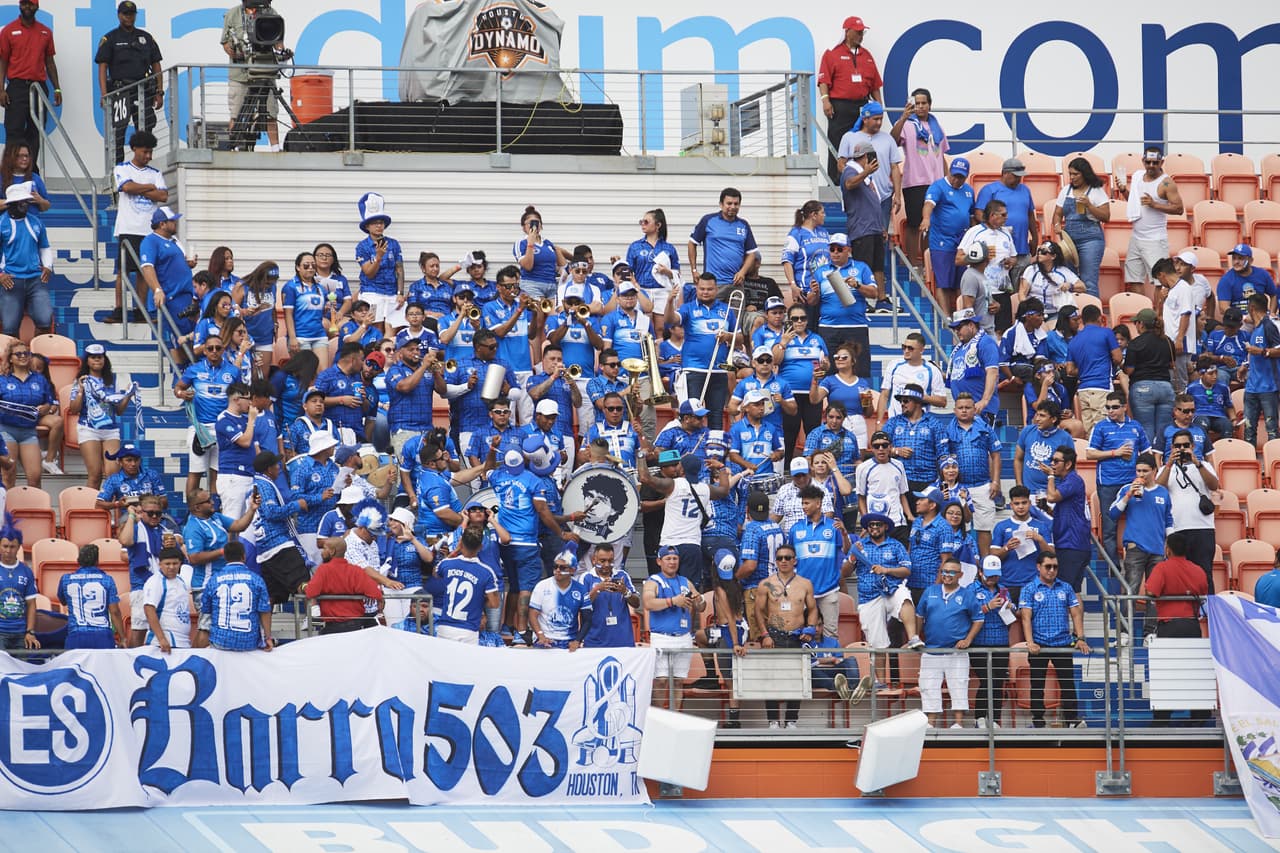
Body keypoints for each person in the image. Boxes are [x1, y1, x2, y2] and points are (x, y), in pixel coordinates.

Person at [848, 513, 925, 686]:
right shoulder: (858, 546)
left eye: (878, 524)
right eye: (871, 524)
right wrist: (852, 558)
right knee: (877, 642)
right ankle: (879, 682)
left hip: (891, 589)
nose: (874, 527)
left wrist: (886, 570)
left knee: (904, 596)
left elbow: (906, 570)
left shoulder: (896, 545)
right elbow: (844, 573)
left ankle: (913, 637)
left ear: (885, 527)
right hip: (869, 597)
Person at [1145, 531, 1211, 724]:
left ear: (1168, 549)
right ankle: (1199, 717)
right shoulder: (1198, 570)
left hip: (1169, 626)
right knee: (1193, 672)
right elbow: (1203, 591)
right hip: (1191, 625)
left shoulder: (1162, 568)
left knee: (1167, 673)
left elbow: (1151, 591)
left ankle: (1162, 719)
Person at [639, 451, 730, 591]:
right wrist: (722, 468)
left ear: (681, 469)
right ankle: (688, 613)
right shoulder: (705, 489)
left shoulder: (674, 484)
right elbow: (724, 490)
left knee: (666, 589)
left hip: (670, 545)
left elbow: (645, 478)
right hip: (692, 545)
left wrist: (640, 456)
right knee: (690, 590)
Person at [1018, 551, 1089, 728]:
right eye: (1048, 566)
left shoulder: (1066, 587)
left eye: (1055, 567)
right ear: (1038, 567)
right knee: (1037, 685)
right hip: (1039, 645)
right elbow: (1025, 617)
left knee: (1067, 684)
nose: (1051, 570)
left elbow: (1076, 613)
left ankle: (1072, 719)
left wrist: (1080, 638)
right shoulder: (1028, 589)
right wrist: (1030, 642)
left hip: (1062, 644)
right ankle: (1038, 720)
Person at [1107, 452, 1174, 641]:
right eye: (1138, 470)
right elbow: (1112, 514)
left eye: (1145, 471)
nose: (1141, 474)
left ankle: (1150, 632)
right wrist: (1128, 495)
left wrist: (1170, 545)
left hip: (1158, 549)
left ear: (1154, 470)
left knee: (1154, 593)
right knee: (1131, 590)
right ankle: (1124, 632)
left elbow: (1169, 519)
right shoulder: (1127, 488)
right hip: (1135, 547)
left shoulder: (1162, 492)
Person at [753, 542, 820, 728]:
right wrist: (764, 634)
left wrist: (811, 627)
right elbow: (758, 611)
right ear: (776, 561)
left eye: (787, 558)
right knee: (772, 679)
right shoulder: (766, 584)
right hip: (774, 635)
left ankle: (791, 720)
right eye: (780, 558)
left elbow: (813, 609)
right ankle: (773, 720)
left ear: (794, 560)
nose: (783, 561)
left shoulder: (805, 584)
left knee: (796, 679)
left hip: (797, 635)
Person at [105, 130, 167, 325]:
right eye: (144, 152)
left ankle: (140, 309)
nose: (148, 156)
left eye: (150, 152)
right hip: (128, 227)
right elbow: (126, 188)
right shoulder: (122, 168)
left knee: (144, 271)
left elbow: (163, 196)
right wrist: (150, 188)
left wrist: (139, 187)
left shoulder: (155, 173)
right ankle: (119, 308)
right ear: (134, 149)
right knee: (123, 271)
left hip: (149, 231)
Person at [916, 557, 983, 729]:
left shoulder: (967, 595)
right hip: (931, 650)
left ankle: (958, 723)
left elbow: (978, 618)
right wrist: (916, 636)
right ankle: (930, 723)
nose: (947, 575)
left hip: (956, 651)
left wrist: (968, 639)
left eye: (952, 572)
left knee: (959, 685)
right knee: (928, 686)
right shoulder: (930, 591)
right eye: (944, 571)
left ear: (960, 574)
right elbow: (919, 615)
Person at [666, 272, 738, 430]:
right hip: (694, 369)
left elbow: (739, 339)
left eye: (709, 289)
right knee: (691, 414)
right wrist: (670, 301)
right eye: (702, 289)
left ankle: (715, 450)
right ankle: (693, 450)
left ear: (716, 289)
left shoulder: (726, 310)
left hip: (719, 370)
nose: (705, 292)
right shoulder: (688, 308)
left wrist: (728, 336)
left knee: (716, 414)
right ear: (697, 289)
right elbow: (670, 320)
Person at [1085, 390, 1149, 568]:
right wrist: (1115, 453)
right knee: (1109, 528)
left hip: (1132, 482)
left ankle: (1135, 564)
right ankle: (1113, 568)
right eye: (1107, 407)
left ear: (1124, 407)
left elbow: (1146, 453)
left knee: (1138, 523)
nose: (1110, 411)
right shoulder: (1101, 427)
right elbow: (1090, 453)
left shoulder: (1136, 426)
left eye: (1114, 407)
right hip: (1108, 483)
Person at [817, 16, 882, 184]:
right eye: (858, 32)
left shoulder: (866, 55)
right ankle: (837, 180)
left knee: (865, 141)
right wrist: (825, 100)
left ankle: (867, 177)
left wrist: (879, 105)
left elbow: (875, 84)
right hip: (840, 105)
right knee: (838, 142)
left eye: (862, 32)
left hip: (862, 105)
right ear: (847, 32)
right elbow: (823, 81)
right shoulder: (833, 53)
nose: (861, 35)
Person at [97, 1, 162, 167]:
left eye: (132, 14)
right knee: (118, 133)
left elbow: (156, 64)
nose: (129, 17)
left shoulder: (146, 38)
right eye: (125, 14)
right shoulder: (110, 38)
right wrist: (104, 94)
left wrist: (159, 91)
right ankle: (118, 170)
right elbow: (103, 67)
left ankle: (143, 167)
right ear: (119, 15)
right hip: (121, 91)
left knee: (146, 129)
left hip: (143, 90)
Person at [891, 88, 949, 270]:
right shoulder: (908, 124)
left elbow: (942, 155)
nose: (921, 106)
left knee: (932, 225)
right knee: (915, 223)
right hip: (915, 181)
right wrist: (902, 117)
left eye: (924, 103)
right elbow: (893, 140)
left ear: (930, 105)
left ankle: (926, 262)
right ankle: (912, 263)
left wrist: (946, 180)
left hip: (937, 182)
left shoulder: (936, 126)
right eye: (917, 103)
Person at [1156, 429, 1219, 593]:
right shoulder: (1166, 468)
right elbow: (1158, 489)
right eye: (1177, 446)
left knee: (1205, 573)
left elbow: (1213, 485)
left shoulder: (1204, 465)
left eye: (1185, 445)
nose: (1182, 449)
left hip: (1203, 528)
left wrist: (1197, 463)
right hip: (1178, 529)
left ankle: (1208, 613)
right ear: (1172, 447)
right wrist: (1169, 464)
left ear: (1192, 445)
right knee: (1179, 575)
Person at [644, 546, 705, 712]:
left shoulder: (685, 581)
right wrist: (672, 601)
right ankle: (658, 717)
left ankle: (675, 717)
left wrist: (699, 600)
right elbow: (648, 603)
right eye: (668, 559)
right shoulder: (653, 581)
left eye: (675, 559)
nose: (672, 562)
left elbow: (701, 606)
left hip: (683, 635)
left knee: (678, 680)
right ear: (659, 561)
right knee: (661, 680)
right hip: (662, 636)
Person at [1116, 145, 1184, 292]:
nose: (1151, 166)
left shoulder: (1166, 183)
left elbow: (1179, 209)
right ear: (1143, 161)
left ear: (1161, 163)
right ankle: (1142, 312)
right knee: (1134, 279)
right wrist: (1123, 191)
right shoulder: (1138, 176)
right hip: (1136, 237)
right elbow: (1135, 203)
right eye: (1148, 162)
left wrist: (1155, 204)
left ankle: (1159, 314)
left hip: (1155, 239)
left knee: (1161, 281)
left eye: (1155, 163)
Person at [942, 393, 1003, 554]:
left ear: (974, 409)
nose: (964, 411)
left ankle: (984, 565)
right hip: (959, 487)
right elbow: (943, 461)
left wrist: (995, 482)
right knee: (960, 527)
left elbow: (996, 454)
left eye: (968, 408)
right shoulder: (948, 431)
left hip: (983, 485)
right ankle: (963, 566)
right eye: (960, 408)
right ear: (954, 410)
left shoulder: (985, 429)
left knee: (984, 528)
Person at [0, 0, 60, 165]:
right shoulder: (9, 31)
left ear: (37, 6)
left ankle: (30, 172)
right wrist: (1, 90)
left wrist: (57, 89)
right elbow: (2, 62)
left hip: (38, 88)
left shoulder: (45, 32)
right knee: (14, 131)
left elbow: (50, 63)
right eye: (25, 4)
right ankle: (10, 173)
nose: (28, 7)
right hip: (17, 87)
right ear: (20, 5)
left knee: (36, 132)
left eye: (31, 4)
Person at [789, 483, 850, 639]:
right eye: (802, 503)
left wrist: (844, 533)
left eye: (807, 503)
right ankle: (806, 664)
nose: (804, 506)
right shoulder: (795, 529)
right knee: (800, 631)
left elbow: (845, 551)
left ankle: (830, 662)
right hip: (803, 590)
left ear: (818, 503)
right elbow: (790, 558)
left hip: (829, 589)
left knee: (831, 633)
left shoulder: (834, 526)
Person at [810, 236, 877, 377]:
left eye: (840, 249)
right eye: (832, 249)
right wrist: (815, 292)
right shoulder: (821, 271)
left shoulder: (861, 267)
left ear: (849, 250)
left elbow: (874, 293)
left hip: (855, 326)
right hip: (828, 328)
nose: (835, 252)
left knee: (859, 370)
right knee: (829, 371)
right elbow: (812, 302)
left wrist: (857, 285)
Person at [221, 0, 282, 151]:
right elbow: (225, 43)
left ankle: (276, 150)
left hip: (265, 71)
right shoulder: (233, 14)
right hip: (240, 74)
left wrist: (282, 52)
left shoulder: (271, 12)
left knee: (270, 113)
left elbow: (278, 41)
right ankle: (233, 149)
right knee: (236, 114)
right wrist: (238, 54)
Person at [921, 157, 976, 316]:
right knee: (944, 281)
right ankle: (945, 316)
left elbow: (971, 214)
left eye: (961, 177)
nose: (957, 180)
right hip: (942, 241)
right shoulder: (938, 186)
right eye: (955, 175)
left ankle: (961, 314)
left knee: (962, 281)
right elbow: (929, 204)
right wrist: (926, 219)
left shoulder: (968, 190)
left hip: (962, 241)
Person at [139, 206, 196, 360]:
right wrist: (157, 289)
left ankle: (187, 371)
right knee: (179, 338)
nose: (176, 223)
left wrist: (188, 264)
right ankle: (181, 374)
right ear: (162, 224)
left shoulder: (174, 241)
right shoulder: (150, 241)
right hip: (172, 297)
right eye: (172, 220)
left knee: (189, 336)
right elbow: (147, 267)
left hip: (185, 296)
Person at [841, 141, 890, 313]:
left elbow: (873, 202)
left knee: (877, 266)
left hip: (873, 228)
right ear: (866, 157)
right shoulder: (851, 170)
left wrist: (881, 227)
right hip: (862, 229)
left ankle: (881, 299)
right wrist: (867, 172)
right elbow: (849, 184)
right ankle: (866, 301)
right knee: (864, 266)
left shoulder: (866, 175)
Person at [0, 340, 56, 489]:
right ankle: (5, 511)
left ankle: (34, 510)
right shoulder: (2, 379)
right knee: (8, 475)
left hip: (29, 431)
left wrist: (45, 408)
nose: (23, 356)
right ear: (10, 358)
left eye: (26, 353)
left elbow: (49, 402)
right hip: (6, 429)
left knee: (35, 477)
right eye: (18, 354)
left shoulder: (40, 379)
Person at [1050, 158, 1110, 296]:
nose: (1072, 177)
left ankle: (1092, 314)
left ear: (1084, 174)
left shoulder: (1096, 191)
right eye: (1070, 174)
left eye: (1076, 174)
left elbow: (1106, 216)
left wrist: (1089, 205)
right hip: (1069, 240)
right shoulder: (1066, 190)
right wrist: (1057, 225)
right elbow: (1057, 214)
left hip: (1091, 239)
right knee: (1069, 280)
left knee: (1088, 281)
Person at [977, 159, 1039, 290]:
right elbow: (979, 214)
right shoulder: (990, 190)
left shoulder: (1025, 190)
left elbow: (1030, 215)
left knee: (1021, 288)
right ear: (1005, 173)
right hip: (999, 252)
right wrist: (995, 228)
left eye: (1020, 176)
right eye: (1016, 176)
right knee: (998, 288)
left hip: (1021, 248)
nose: (1018, 179)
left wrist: (1035, 237)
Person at [0, 181, 51, 337]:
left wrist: (48, 266)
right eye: (20, 202)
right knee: (9, 327)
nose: (24, 205)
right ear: (11, 204)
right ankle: (14, 359)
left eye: (25, 201)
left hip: (35, 279)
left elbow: (44, 247)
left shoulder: (36, 222)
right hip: (11, 280)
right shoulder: (1, 224)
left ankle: (38, 357)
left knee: (45, 320)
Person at [201, 540, 273, 651]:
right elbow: (265, 611)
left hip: (220, 642)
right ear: (244, 556)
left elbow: (206, 609)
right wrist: (268, 637)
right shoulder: (257, 580)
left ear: (224, 556)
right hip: (249, 642)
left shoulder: (214, 580)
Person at [303, 536, 384, 634]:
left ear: (332, 551)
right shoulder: (356, 571)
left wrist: (304, 586)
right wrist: (380, 600)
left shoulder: (324, 570)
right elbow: (374, 592)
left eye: (324, 548)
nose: (321, 552)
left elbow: (311, 592)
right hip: (355, 624)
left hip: (332, 625)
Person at [969, 555, 1012, 729]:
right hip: (979, 642)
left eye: (995, 575)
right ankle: (979, 717)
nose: (993, 579)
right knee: (987, 680)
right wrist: (987, 607)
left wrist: (1010, 607)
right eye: (989, 575)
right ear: (980, 572)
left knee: (998, 681)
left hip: (1001, 642)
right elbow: (965, 613)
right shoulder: (970, 589)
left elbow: (1014, 611)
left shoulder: (1004, 589)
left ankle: (994, 719)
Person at [1040, 444, 1091, 592]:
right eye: (1051, 460)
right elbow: (1067, 513)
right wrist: (1047, 510)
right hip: (1073, 545)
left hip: (1071, 545)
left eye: (1056, 461)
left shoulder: (1073, 480)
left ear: (1068, 464)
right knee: (1073, 592)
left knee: (1064, 591)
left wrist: (1050, 476)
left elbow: (1052, 496)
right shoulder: (1068, 481)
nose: (1052, 464)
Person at [688, 187, 760, 287]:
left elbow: (752, 253)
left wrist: (742, 272)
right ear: (721, 204)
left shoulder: (743, 225)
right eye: (729, 203)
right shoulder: (708, 220)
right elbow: (692, 243)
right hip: (713, 284)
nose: (733, 207)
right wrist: (694, 270)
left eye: (736, 204)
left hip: (736, 284)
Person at [57, 544, 124, 650]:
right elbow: (114, 612)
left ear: (78, 560)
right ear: (97, 561)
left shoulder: (66, 579)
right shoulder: (107, 580)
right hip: (102, 636)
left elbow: (63, 601)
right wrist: (123, 638)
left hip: (76, 634)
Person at [1069, 304, 1124, 433]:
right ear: (1100, 318)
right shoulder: (1106, 333)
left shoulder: (1074, 340)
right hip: (1102, 386)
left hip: (1083, 390)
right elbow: (1118, 358)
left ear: (1082, 320)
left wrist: (1086, 368)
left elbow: (1070, 370)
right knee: (1104, 431)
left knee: (1090, 434)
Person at [883, 383, 944, 491]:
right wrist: (896, 451)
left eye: (906, 401)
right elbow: (879, 447)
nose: (902, 404)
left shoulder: (934, 424)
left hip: (928, 482)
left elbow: (943, 455)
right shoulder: (893, 422)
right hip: (899, 481)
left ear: (917, 402)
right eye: (901, 401)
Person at [528, 549, 591, 650]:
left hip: (569, 641)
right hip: (545, 640)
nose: (557, 570)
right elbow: (532, 613)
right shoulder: (542, 586)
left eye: (562, 567)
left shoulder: (581, 589)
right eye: (555, 566)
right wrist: (540, 635)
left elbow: (587, 619)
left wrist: (577, 640)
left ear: (572, 570)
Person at [855, 431, 912, 541]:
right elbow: (861, 497)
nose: (881, 449)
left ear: (890, 447)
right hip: (876, 523)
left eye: (884, 445)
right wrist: (866, 520)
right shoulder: (863, 468)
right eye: (876, 446)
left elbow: (902, 494)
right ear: (872, 448)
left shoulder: (899, 465)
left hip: (898, 521)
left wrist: (909, 515)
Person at [946, 308, 1000, 424]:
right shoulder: (959, 348)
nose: (956, 331)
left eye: (959, 328)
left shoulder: (985, 343)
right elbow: (959, 375)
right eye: (955, 329)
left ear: (971, 325)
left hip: (980, 409)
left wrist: (984, 401)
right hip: (963, 410)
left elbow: (992, 372)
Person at [580, 543, 638, 649]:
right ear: (594, 560)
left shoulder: (622, 575)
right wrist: (597, 589)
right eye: (602, 561)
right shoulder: (586, 577)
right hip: (595, 641)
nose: (607, 564)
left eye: (610, 561)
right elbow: (580, 606)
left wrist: (625, 592)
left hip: (623, 641)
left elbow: (637, 603)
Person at [878, 332, 947, 421]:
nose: (906, 351)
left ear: (921, 350)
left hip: (920, 423)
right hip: (895, 422)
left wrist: (921, 397)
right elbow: (884, 395)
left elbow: (942, 401)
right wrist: (879, 421)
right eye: (904, 347)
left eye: (910, 348)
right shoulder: (894, 365)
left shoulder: (932, 370)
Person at [1242, 292, 1280, 444]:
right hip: (1252, 386)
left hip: (1268, 386)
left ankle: (1276, 460)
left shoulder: (1269, 326)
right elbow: (1255, 353)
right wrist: (1245, 365)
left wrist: (1263, 351)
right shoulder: (1255, 329)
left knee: (1271, 428)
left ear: (1252, 308)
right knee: (1248, 429)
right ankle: (1250, 458)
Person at [514, 205, 570, 302]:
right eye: (530, 223)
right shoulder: (521, 243)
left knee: (554, 316)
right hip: (532, 285)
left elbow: (558, 266)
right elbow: (528, 266)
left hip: (551, 285)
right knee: (538, 315)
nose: (534, 225)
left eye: (537, 222)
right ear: (523, 227)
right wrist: (530, 243)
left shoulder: (548, 243)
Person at [1018, 241, 1083, 324]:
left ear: (1053, 256)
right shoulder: (1031, 270)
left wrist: (1070, 286)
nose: (1039, 253)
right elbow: (1022, 293)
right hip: (1034, 313)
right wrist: (1028, 309)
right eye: (1039, 251)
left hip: (1055, 313)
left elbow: (1082, 287)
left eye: (1044, 252)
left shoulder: (1063, 271)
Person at [141, 547, 192, 652]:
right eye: (167, 564)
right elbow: (149, 609)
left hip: (183, 642)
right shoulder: (155, 582)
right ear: (160, 564)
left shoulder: (181, 580)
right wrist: (162, 639)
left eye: (175, 563)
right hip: (164, 644)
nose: (171, 567)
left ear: (180, 563)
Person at [0, 517, 38, 650]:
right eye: (5, 546)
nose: (8, 551)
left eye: (12, 547)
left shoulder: (26, 571)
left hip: (21, 633)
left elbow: (32, 604)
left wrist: (30, 631)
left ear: (18, 547)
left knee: (22, 669)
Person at [1217, 243, 1276, 323]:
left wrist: (1272, 313)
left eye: (1240, 258)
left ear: (1251, 261)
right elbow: (1223, 307)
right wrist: (1243, 317)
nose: (1236, 262)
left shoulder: (1263, 274)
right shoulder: (1226, 279)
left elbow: (1274, 295)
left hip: (1261, 316)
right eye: (1234, 258)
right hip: (1238, 320)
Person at [1187, 360, 1234, 442]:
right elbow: (1186, 406)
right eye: (1211, 374)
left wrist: (1233, 419)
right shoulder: (1191, 388)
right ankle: (1203, 452)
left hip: (1219, 416)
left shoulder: (1223, 387)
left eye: (1216, 373)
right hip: (1200, 415)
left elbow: (1229, 406)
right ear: (1201, 374)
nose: (1215, 376)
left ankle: (1225, 452)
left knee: (1227, 425)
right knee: (1203, 424)